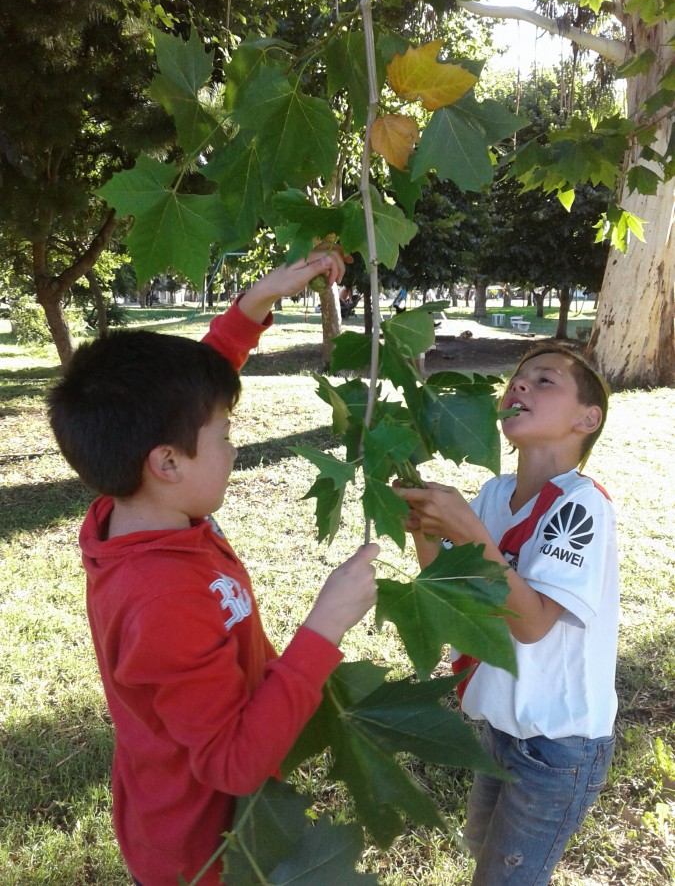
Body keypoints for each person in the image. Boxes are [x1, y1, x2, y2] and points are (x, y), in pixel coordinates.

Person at [47, 250, 380, 886]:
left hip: (186, 812)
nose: (234, 447)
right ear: (167, 463)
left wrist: (254, 304)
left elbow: (177, 404)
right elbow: (233, 763)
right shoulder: (163, 600)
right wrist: (325, 626)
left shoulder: (139, 507)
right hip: (206, 853)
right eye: (226, 435)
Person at [397, 344, 618, 885]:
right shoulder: (493, 493)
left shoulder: (582, 505)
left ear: (585, 420)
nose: (519, 386)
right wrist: (428, 530)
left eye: (544, 381)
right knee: (484, 852)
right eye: (516, 380)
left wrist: (470, 533)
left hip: (557, 745)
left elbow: (533, 622)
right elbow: (455, 594)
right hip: (500, 727)